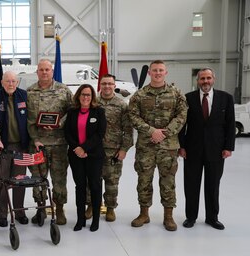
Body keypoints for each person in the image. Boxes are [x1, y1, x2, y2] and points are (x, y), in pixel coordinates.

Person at [128, 60, 187, 231]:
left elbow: (182, 116)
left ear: (166, 73)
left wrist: (165, 132)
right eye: (155, 70)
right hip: (146, 145)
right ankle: (144, 214)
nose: (158, 73)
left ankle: (168, 216)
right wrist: (151, 131)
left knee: (168, 181)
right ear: (149, 73)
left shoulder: (176, 93)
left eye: (161, 70)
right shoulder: (139, 95)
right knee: (143, 180)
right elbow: (133, 116)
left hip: (168, 147)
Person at [178, 68, 235, 230]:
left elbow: (230, 125)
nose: (205, 81)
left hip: (216, 151)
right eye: (202, 79)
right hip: (192, 150)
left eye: (208, 78)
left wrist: (228, 147)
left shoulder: (226, 98)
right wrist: (181, 146)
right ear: (198, 81)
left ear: (213, 79)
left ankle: (212, 217)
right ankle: (191, 217)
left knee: (213, 185)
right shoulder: (187, 99)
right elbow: (182, 125)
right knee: (191, 185)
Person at [26, 58, 73, 225]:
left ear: (52, 71)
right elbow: (28, 121)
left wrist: (59, 123)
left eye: (47, 69)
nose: (44, 72)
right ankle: (41, 208)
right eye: (41, 70)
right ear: (37, 72)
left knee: (59, 179)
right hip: (37, 145)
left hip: (59, 144)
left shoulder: (63, 90)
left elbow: (72, 111)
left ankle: (59, 209)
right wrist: (35, 139)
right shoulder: (30, 92)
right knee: (37, 178)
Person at [0, 71, 30, 227]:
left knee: (20, 181)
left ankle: (19, 212)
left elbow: (30, 119)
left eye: (13, 81)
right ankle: (2, 214)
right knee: (2, 182)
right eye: (8, 81)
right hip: (3, 148)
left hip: (21, 147)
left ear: (17, 82)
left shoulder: (24, 96)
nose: (11, 84)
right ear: (2, 82)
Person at [91, 74, 133, 222]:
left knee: (112, 182)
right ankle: (91, 205)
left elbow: (128, 129)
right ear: (100, 85)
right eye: (104, 84)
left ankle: (110, 208)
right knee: (92, 180)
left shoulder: (121, 105)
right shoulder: (92, 102)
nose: (107, 86)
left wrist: (124, 149)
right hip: (93, 149)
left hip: (113, 150)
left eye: (110, 84)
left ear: (114, 86)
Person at [65, 84, 106, 232]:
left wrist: (85, 148)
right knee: (80, 187)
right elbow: (68, 132)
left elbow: (100, 134)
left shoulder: (99, 112)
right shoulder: (72, 112)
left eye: (88, 95)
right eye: (83, 94)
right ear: (78, 96)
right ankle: (80, 219)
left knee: (95, 187)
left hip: (94, 155)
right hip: (76, 155)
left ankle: (95, 220)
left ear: (92, 97)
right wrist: (77, 148)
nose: (85, 97)